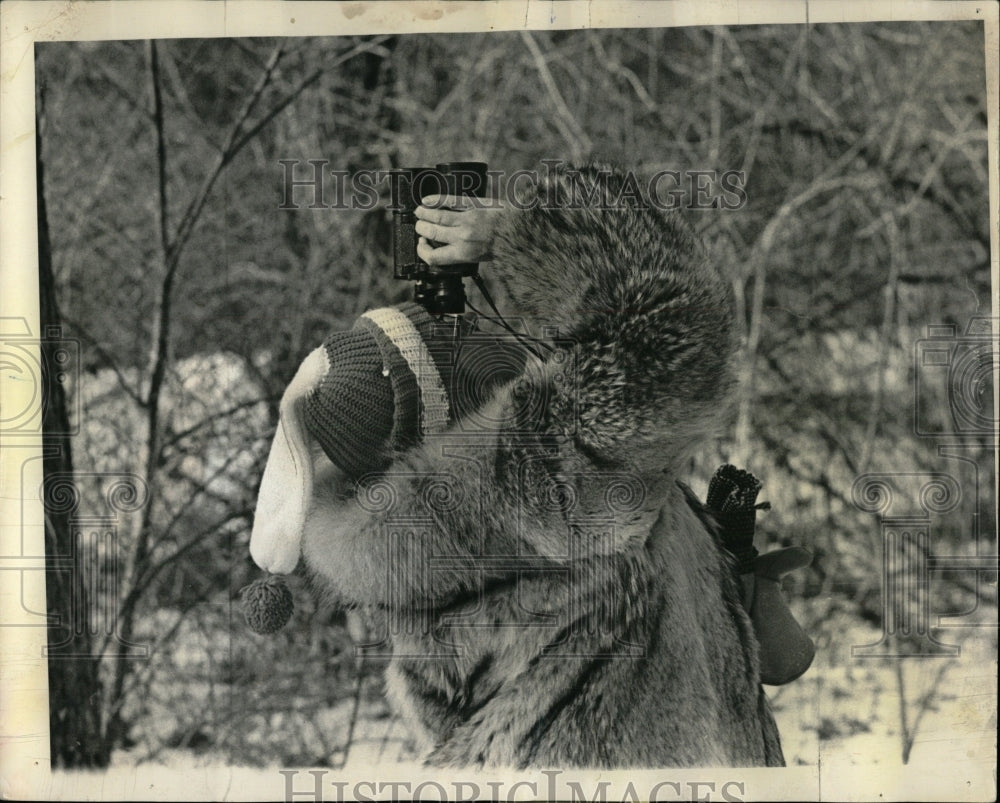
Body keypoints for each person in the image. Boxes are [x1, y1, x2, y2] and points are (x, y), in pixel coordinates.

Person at [250, 164, 793, 768]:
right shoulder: (546, 466)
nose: (489, 337)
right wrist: (518, 232)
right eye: (448, 341)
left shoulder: (400, 557)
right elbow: (675, 320)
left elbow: (768, 658)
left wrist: (721, 564)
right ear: (459, 399)